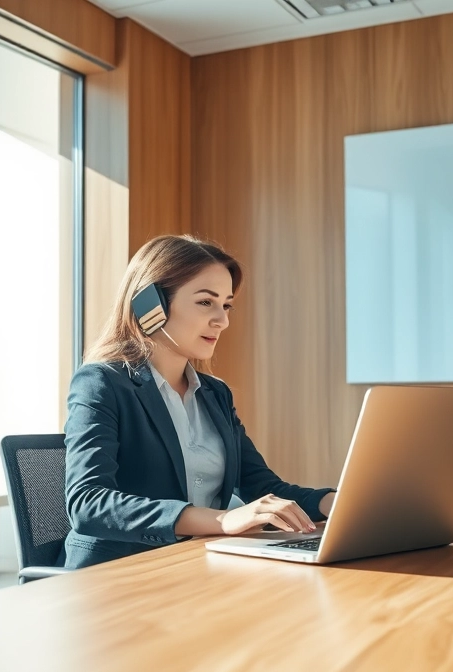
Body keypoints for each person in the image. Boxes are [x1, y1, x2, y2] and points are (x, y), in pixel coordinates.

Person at [62, 234, 336, 569]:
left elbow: (262, 487)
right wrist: (223, 520)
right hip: (118, 573)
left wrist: (338, 503)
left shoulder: (215, 394)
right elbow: (88, 503)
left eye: (226, 305)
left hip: (193, 564)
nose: (223, 320)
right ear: (150, 306)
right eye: (206, 302)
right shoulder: (101, 383)